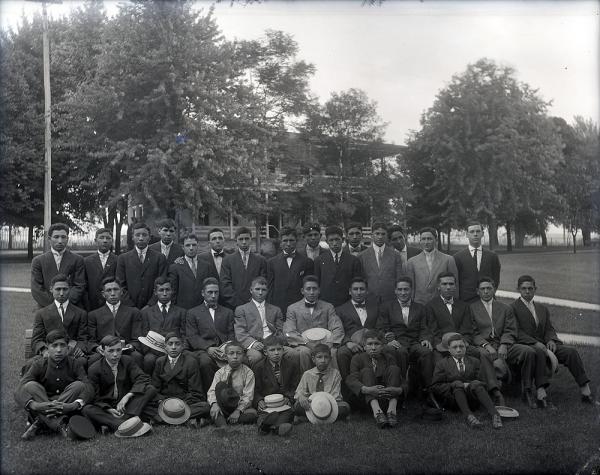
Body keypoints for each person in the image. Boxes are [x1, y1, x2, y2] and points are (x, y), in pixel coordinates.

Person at [511, 275, 594, 405]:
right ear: (518, 289)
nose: (527, 291)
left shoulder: (542, 308)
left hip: (545, 345)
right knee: (538, 353)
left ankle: (586, 392)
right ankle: (541, 394)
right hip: (527, 345)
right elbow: (516, 331)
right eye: (524, 288)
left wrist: (551, 340)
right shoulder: (512, 308)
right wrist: (535, 343)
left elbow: (549, 328)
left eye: (530, 288)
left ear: (535, 289)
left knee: (571, 352)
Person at [426, 273, 504, 406]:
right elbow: (433, 331)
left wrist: (463, 343)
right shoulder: (431, 305)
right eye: (444, 284)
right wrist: (445, 345)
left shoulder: (463, 305)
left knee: (483, 354)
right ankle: (442, 395)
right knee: (439, 361)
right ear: (438, 287)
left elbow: (467, 330)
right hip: (442, 346)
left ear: (455, 286)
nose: (448, 287)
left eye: (451, 284)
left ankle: (494, 390)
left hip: (462, 343)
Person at [471, 277, 546, 409]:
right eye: (483, 289)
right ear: (477, 291)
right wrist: (487, 345)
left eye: (489, 288)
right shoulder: (471, 308)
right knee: (485, 356)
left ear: (494, 289)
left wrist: (504, 345)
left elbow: (510, 329)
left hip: (504, 343)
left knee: (528, 351)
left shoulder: (505, 308)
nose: (486, 291)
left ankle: (527, 389)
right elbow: (473, 332)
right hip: (484, 345)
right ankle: (495, 392)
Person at [16, 330, 93, 440]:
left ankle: (40, 422)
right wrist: (34, 405)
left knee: (79, 385)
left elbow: (89, 387)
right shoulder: (39, 364)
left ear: (68, 348)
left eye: (62, 345)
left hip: (66, 401)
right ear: (47, 347)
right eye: (54, 346)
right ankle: (59, 424)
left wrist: (74, 405)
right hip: (43, 400)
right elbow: (20, 388)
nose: (58, 350)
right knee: (30, 385)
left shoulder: (75, 363)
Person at [83, 336, 159, 433]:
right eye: (111, 351)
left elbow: (143, 378)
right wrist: (109, 409)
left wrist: (127, 396)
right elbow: (95, 397)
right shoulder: (94, 369)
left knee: (150, 389)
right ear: (102, 352)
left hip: (127, 405)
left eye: (118, 350)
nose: (115, 354)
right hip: (107, 406)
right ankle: (125, 423)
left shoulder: (127, 361)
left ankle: (115, 424)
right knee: (87, 409)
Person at [431, 333, 503, 429]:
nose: (459, 350)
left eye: (461, 346)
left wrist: (470, 385)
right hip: (453, 400)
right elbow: (435, 386)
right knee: (457, 385)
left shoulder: (474, 361)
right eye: (454, 347)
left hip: (472, 399)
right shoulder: (442, 364)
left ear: (465, 347)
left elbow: (483, 382)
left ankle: (495, 414)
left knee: (476, 383)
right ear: (449, 349)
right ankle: (469, 416)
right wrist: (455, 384)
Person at [378, 277, 434, 394]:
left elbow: (424, 327)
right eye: (400, 289)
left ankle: (428, 389)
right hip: (397, 341)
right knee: (401, 352)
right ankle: (401, 389)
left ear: (411, 290)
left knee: (427, 352)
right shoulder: (387, 307)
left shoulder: (420, 307)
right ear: (395, 291)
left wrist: (425, 338)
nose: (403, 293)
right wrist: (388, 341)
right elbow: (382, 328)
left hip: (415, 342)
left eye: (406, 289)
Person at [284, 276, 345, 372]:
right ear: (302, 291)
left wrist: (329, 343)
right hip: (304, 345)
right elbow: (289, 331)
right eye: (308, 289)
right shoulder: (293, 308)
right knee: (304, 353)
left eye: (314, 289)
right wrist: (306, 344)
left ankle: (332, 383)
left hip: (325, 344)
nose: (312, 292)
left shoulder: (328, 307)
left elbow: (338, 328)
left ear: (319, 290)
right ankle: (306, 382)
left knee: (332, 352)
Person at [345, 330, 404, 428]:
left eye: (377, 344)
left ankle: (392, 411)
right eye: (369, 344)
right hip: (366, 401)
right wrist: (368, 389)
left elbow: (402, 380)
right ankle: (377, 413)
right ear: (364, 346)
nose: (373, 348)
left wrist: (398, 390)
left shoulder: (388, 358)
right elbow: (351, 380)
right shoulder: (357, 358)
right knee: (367, 371)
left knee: (394, 369)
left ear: (382, 346)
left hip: (387, 397)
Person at [186, 277, 235, 390]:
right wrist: (208, 348)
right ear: (203, 293)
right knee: (205, 362)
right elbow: (192, 336)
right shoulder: (192, 312)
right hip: (203, 350)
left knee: (239, 359)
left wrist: (227, 349)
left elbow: (231, 334)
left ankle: (230, 394)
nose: (213, 296)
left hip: (224, 350)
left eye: (216, 292)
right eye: (210, 292)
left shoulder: (227, 312)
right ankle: (211, 394)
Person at [151, 332, 210, 424]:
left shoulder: (191, 362)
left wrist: (178, 405)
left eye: (177, 344)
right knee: (145, 406)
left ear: (182, 346)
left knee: (205, 407)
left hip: (184, 403)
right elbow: (155, 388)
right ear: (165, 346)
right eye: (170, 344)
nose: (173, 347)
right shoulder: (160, 362)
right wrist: (162, 401)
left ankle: (163, 419)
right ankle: (184, 419)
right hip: (164, 402)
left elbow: (196, 392)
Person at [30, 274, 88, 366]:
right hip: (50, 354)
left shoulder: (80, 313)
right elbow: (37, 340)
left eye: (65, 289)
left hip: (71, 354)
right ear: (51, 289)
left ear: (70, 289)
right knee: (32, 365)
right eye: (58, 289)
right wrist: (45, 351)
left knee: (82, 362)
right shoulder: (41, 313)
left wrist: (78, 348)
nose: (61, 293)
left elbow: (83, 338)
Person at [87, 277, 144, 368]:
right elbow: (91, 340)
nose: (113, 294)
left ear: (121, 291)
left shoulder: (133, 312)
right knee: (93, 359)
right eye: (109, 290)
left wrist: (132, 346)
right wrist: (96, 348)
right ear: (103, 294)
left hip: (125, 351)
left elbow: (137, 338)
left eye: (116, 289)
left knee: (137, 357)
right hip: (104, 351)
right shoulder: (94, 315)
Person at [253, 334, 300, 436]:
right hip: (267, 403)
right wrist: (259, 400)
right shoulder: (259, 367)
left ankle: (276, 428)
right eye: (272, 350)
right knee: (263, 414)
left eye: (279, 349)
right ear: (265, 352)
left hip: (283, 402)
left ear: (283, 350)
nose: (276, 353)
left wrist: (289, 397)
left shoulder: (291, 365)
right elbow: (255, 389)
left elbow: (295, 386)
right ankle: (264, 426)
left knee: (287, 413)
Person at [335, 277, 380, 381]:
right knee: (342, 353)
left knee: (388, 350)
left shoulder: (376, 307)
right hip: (351, 343)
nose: (359, 292)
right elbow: (339, 330)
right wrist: (348, 342)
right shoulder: (340, 309)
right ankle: (348, 386)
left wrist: (374, 342)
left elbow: (380, 327)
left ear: (367, 291)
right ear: (350, 291)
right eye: (355, 289)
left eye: (362, 289)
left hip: (373, 342)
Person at [31, 223, 85, 308]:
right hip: (46, 309)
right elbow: (37, 289)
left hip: (71, 308)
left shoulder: (77, 260)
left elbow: (79, 285)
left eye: (63, 237)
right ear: (49, 239)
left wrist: (65, 304)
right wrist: (54, 306)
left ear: (67, 239)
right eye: (56, 237)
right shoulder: (38, 261)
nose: (60, 241)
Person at [139, 277, 187, 374]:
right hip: (153, 352)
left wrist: (178, 349)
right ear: (155, 292)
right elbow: (143, 335)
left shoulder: (181, 312)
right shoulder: (146, 312)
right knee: (149, 360)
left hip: (176, 350)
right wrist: (153, 350)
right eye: (161, 290)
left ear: (172, 291)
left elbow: (184, 335)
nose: (164, 293)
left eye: (167, 290)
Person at [234, 276, 285, 365]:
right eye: (257, 289)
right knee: (256, 357)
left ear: (267, 291)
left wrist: (276, 342)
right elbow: (240, 332)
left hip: (273, 344)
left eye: (263, 290)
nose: (260, 293)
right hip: (254, 344)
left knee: (292, 354)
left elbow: (280, 331)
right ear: (251, 290)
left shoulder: (276, 309)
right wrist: (253, 343)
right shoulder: (242, 309)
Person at [116, 222, 167, 309]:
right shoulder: (123, 258)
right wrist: (131, 306)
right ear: (132, 237)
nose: (141, 238)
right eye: (137, 235)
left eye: (144, 235)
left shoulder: (159, 257)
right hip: (130, 308)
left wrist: (150, 304)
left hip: (153, 307)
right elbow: (120, 285)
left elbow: (162, 283)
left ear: (149, 237)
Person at [206, 341, 258, 426]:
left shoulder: (248, 373)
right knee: (219, 386)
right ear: (226, 356)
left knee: (253, 414)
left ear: (243, 356)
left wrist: (237, 411)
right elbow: (212, 391)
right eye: (231, 353)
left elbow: (248, 396)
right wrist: (215, 404)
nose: (235, 357)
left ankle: (222, 420)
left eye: (239, 353)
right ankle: (224, 425)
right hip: (222, 405)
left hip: (238, 405)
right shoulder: (220, 372)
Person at [294, 343, 350, 421]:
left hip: (329, 404)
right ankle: (327, 418)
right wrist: (302, 398)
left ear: (330, 359)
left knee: (345, 407)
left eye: (326, 357)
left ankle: (308, 417)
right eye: (319, 357)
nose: (323, 360)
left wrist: (323, 404)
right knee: (297, 405)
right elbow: (299, 392)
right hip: (311, 404)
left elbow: (336, 396)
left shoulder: (335, 373)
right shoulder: (307, 374)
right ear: (313, 359)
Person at [266, 226, 314, 315]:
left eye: (291, 240)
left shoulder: (306, 262)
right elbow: (270, 289)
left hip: (300, 308)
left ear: (296, 242)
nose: (288, 244)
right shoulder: (271, 263)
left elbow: (309, 287)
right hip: (278, 308)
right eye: (285, 240)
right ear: (280, 242)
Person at [405, 227, 459, 305]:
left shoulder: (448, 259)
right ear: (420, 241)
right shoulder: (412, 262)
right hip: (419, 304)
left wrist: (454, 304)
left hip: (442, 304)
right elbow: (410, 287)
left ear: (436, 240)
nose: (426, 242)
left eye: (429, 239)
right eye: (423, 239)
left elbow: (454, 285)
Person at [313, 225, 362, 308]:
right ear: (326, 241)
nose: (335, 243)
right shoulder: (319, 260)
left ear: (342, 240)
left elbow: (356, 283)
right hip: (325, 304)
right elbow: (316, 283)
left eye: (337, 239)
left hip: (347, 304)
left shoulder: (353, 260)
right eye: (331, 240)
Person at [453, 222, 501, 303]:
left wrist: (489, 293)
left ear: (482, 234)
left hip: (487, 300)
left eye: (478, 231)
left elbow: (496, 278)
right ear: (467, 235)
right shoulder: (457, 257)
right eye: (472, 232)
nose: (475, 234)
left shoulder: (492, 256)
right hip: (465, 301)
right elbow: (456, 281)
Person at [221, 226, 267, 310]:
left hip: (256, 305)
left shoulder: (261, 260)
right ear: (236, 241)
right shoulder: (227, 260)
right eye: (241, 239)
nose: (244, 242)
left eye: (246, 239)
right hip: (234, 306)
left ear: (251, 240)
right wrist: (238, 303)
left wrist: (254, 301)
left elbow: (263, 283)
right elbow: (225, 285)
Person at [358, 222, 403, 304]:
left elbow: (399, 279)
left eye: (383, 234)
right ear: (372, 235)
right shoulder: (362, 256)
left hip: (391, 299)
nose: (380, 237)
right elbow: (361, 279)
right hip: (369, 299)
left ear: (386, 235)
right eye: (377, 234)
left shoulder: (395, 255)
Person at [168, 234, 211, 310]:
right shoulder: (175, 267)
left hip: (203, 309)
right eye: (188, 245)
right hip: (183, 309)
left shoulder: (206, 266)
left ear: (198, 246)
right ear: (183, 247)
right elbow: (173, 292)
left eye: (194, 245)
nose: (191, 248)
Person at [83, 228, 117, 311]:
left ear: (112, 241)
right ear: (95, 240)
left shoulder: (118, 260)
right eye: (101, 238)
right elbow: (84, 284)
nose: (105, 241)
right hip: (92, 304)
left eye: (108, 238)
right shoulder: (87, 261)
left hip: (112, 303)